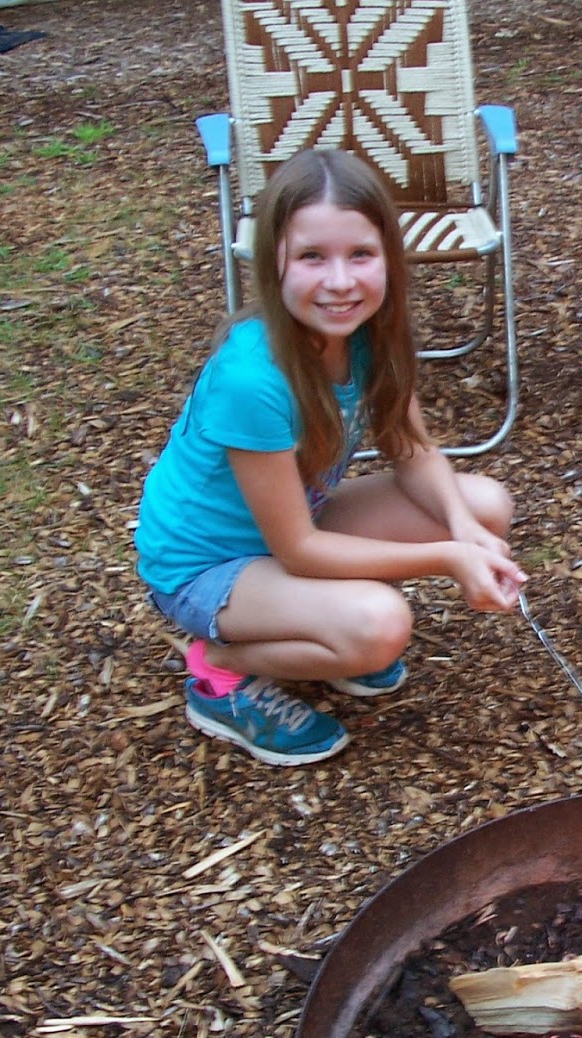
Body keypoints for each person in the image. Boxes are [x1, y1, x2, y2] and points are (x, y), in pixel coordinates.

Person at [136, 147, 525, 767]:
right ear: (275, 264)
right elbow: (299, 550)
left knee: (485, 506)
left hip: (293, 524)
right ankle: (217, 670)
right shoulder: (252, 379)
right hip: (205, 569)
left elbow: (412, 447)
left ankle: (317, 627)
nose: (340, 282)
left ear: (389, 261)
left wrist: (462, 530)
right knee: (379, 627)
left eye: (361, 255)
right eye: (313, 256)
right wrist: (450, 558)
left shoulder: (369, 333)